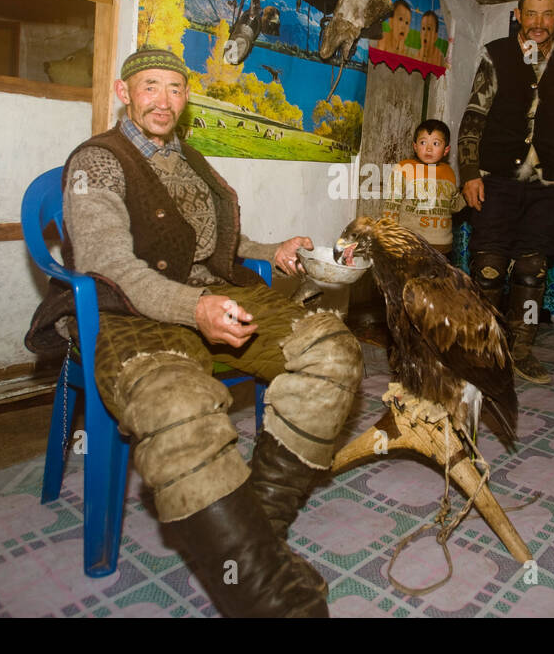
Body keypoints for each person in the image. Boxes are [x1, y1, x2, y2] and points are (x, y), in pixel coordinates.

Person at [26, 48, 362, 618]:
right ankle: (268, 598)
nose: (164, 100)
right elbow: (111, 264)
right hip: (128, 312)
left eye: (176, 89)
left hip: (213, 299)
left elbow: (218, 248)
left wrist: (271, 249)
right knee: (175, 404)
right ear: (124, 91)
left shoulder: (192, 161)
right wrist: (196, 305)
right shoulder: (97, 162)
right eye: (150, 86)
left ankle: (254, 530)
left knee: (333, 350)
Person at [458, 0, 554, 385]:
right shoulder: (496, 56)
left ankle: (521, 349)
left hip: (549, 182)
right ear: (517, 15)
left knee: (533, 270)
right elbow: (474, 116)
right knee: (488, 268)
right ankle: (480, 348)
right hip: (496, 178)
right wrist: (468, 174)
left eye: (546, 14)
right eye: (530, 14)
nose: (538, 23)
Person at [381, 119, 465, 256]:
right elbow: (391, 206)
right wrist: (389, 239)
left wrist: (466, 195)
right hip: (410, 245)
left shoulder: (449, 172)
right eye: (423, 142)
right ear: (415, 146)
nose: (429, 148)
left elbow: (453, 206)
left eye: (436, 143)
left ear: (446, 150)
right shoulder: (403, 168)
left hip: (443, 248)